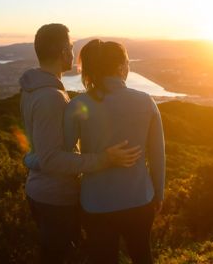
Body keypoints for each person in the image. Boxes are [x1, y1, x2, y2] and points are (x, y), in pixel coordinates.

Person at [20, 24, 141, 264]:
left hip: (40, 191)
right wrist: (104, 159)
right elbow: (52, 159)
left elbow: (41, 151)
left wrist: (28, 159)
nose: (73, 53)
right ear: (64, 51)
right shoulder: (50, 98)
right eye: (72, 47)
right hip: (55, 197)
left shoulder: (32, 89)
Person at [64, 39, 165, 264]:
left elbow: (65, 157)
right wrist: (158, 193)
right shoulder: (146, 102)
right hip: (140, 199)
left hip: (95, 203)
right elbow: (158, 155)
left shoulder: (78, 105)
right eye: (127, 63)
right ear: (121, 67)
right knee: (142, 256)